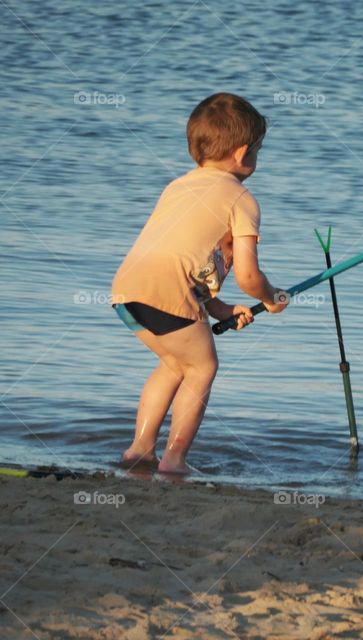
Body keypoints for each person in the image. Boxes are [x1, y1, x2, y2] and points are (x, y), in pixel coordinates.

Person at [111, 92, 288, 474]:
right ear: (243, 154)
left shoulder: (177, 186)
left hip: (126, 291)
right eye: (258, 150)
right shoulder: (241, 199)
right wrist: (271, 296)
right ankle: (175, 458)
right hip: (168, 292)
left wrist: (219, 309)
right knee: (202, 367)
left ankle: (140, 450)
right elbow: (248, 275)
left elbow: (182, 260)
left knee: (174, 363)